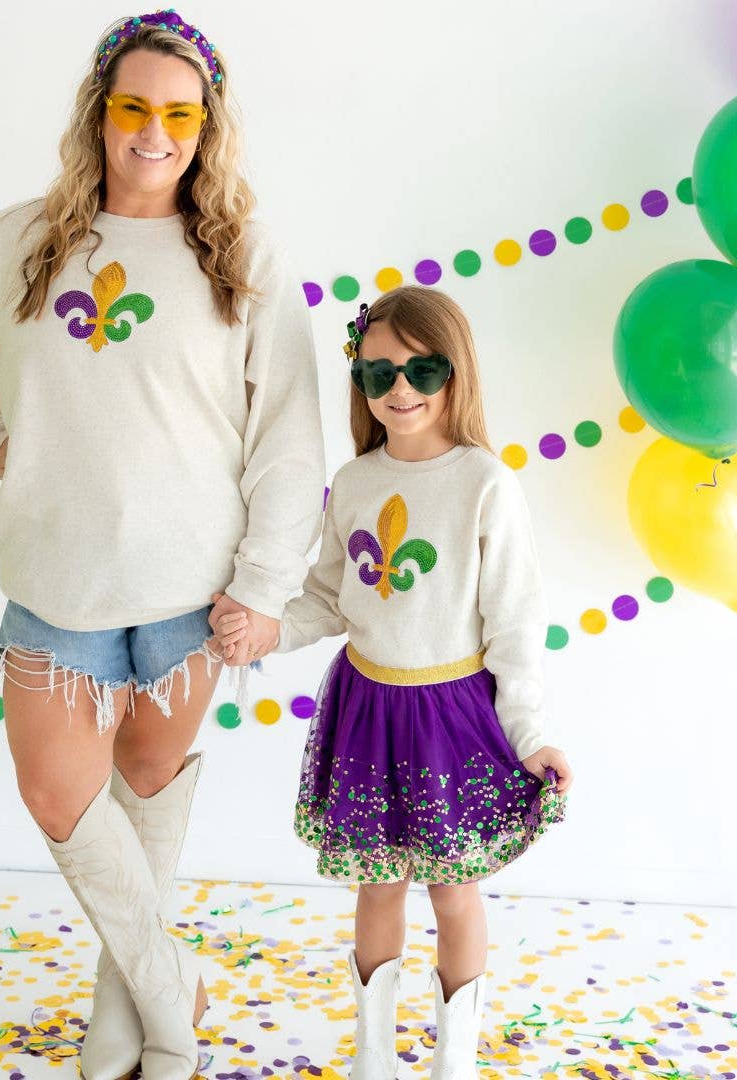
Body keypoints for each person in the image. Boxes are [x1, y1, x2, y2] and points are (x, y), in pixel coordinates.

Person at [0, 10, 324, 1078]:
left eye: (180, 114)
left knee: (145, 788)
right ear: (99, 113)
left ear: (207, 127)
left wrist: (266, 584)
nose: (154, 133)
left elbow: (286, 435)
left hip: (194, 592)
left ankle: (131, 1018)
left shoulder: (242, 257)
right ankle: (172, 984)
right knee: (58, 794)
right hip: (58, 582)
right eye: (134, 107)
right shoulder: (20, 242)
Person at [213, 287, 571, 1079]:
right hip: (367, 711)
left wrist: (530, 732)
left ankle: (455, 1056)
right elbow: (329, 596)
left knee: (452, 890)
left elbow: (515, 623)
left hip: (454, 716)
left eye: (421, 370)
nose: (400, 389)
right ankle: (374, 1054)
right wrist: (266, 627)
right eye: (378, 374)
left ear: (456, 371)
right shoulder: (354, 481)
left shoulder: (485, 482)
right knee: (378, 887)